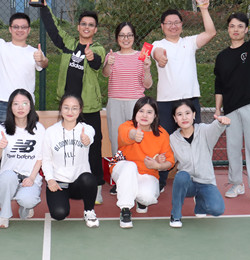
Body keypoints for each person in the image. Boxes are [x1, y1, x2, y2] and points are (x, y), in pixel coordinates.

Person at [0, 0, 48, 204]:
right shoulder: (1, 46)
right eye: (16, 27)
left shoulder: (34, 52)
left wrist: (41, 58)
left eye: (23, 27)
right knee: (0, 146)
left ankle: (28, 180)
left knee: (27, 146)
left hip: (27, 108)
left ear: (29, 30)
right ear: (10, 29)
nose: (19, 30)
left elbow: (44, 65)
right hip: (3, 104)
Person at [40, 5, 106, 204]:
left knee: (93, 146)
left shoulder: (97, 48)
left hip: (89, 108)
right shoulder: (69, 44)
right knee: (65, 145)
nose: (86, 27)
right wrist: (43, 6)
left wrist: (92, 58)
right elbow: (53, 29)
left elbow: (97, 62)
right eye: (83, 24)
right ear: (78, 27)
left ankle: (97, 186)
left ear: (95, 29)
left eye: (91, 25)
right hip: (69, 109)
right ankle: (63, 181)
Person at [151, 0, 216, 191]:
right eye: (168, 23)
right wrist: (160, 58)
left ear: (181, 25)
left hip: (189, 101)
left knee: (195, 142)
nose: (173, 26)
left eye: (176, 22)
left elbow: (211, 32)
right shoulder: (158, 44)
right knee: (164, 142)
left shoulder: (189, 42)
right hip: (166, 103)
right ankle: (160, 182)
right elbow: (157, 53)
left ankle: (199, 181)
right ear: (162, 26)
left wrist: (203, 8)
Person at [214, 0, 250, 206]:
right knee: (233, 148)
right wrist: (218, 109)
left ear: (246, 30)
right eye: (232, 26)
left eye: (240, 26)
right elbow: (219, 85)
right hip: (230, 110)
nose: (235, 29)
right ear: (227, 30)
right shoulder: (222, 56)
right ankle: (236, 183)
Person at [112, 97, 174, 228]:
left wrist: (158, 165)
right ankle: (125, 209)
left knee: (147, 198)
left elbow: (170, 161)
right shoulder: (126, 126)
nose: (145, 115)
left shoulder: (162, 134)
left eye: (149, 112)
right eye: (141, 111)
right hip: (122, 169)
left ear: (155, 115)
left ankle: (137, 197)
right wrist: (135, 135)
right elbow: (127, 134)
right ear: (135, 113)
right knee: (130, 166)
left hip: (147, 173)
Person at [169, 99, 229, 228]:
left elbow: (215, 128)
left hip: (206, 182)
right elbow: (169, 161)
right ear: (175, 118)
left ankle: (200, 205)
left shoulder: (204, 131)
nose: (184, 117)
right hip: (187, 183)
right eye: (179, 114)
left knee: (217, 210)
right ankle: (175, 214)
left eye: (187, 113)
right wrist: (160, 161)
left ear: (194, 115)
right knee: (181, 176)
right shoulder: (172, 138)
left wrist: (221, 122)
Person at [42, 94, 100, 228]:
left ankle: (89, 211)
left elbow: (90, 136)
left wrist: (87, 139)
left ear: (80, 110)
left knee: (88, 178)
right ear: (60, 109)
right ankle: (60, 199)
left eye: (74, 108)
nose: (70, 112)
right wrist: (50, 180)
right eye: (66, 107)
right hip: (58, 184)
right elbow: (46, 159)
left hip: (79, 184)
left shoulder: (86, 129)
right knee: (59, 214)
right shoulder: (50, 132)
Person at [0, 88, 45, 228]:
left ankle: (25, 204)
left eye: (24, 103)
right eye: (16, 104)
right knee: (8, 178)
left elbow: (40, 158)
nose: (20, 107)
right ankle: (4, 214)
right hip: (8, 176)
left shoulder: (39, 129)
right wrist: (0, 148)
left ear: (30, 106)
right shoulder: (2, 129)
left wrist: (32, 178)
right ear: (10, 107)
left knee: (27, 200)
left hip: (29, 177)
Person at [102, 22, 153, 156]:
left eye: (129, 35)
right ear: (117, 38)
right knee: (116, 138)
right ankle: (118, 166)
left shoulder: (142, 56)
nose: (126, 39)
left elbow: (148, 85)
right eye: (122, 35)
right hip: (115, 103)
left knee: (137, 138)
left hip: (136, 104)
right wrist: (109, 63)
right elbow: (105, 74)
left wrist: (147, 68)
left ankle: (138, 166)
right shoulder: (111, 55)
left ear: (134, 37)